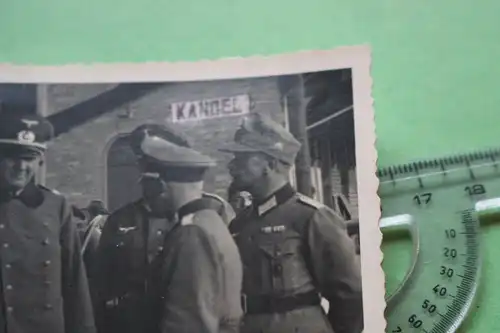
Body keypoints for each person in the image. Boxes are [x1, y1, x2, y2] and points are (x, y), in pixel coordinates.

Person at [219, 112, 363, 333]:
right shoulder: (240, 224)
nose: (231, 166)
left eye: (241, 158)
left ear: (269, 163)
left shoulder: (311, 217)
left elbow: (350, 294)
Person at [93, 123, 239, 333]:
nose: (145, 167)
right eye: (142, 159)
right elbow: (101, 285)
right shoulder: (120, 219)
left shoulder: (213, 212)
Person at [0, 111, 96, 333]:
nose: (21, 167)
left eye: (30, 158)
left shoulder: (55, 206)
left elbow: (74, 280)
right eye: (14, 157)